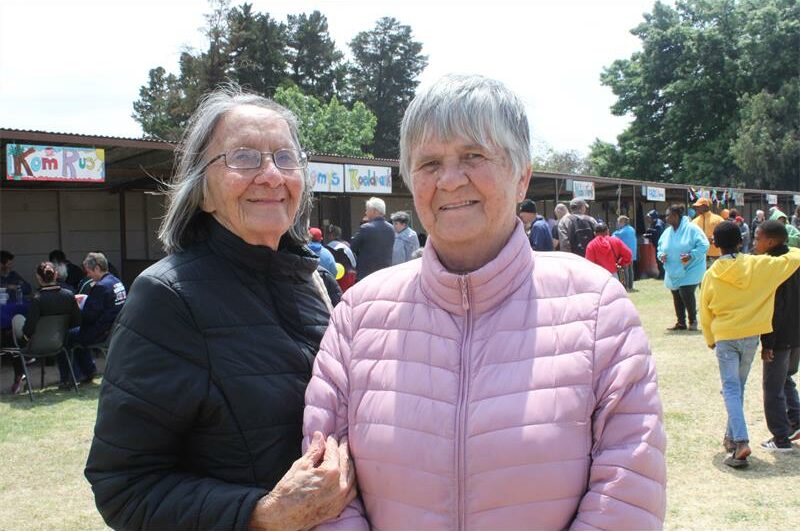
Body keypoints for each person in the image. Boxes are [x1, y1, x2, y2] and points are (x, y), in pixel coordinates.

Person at [303, 74, 666, 529]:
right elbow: (325, 484)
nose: (450, 180)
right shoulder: (359, 315)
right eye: (429, 163)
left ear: (522, 177)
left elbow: (629, 484)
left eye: (473, 155)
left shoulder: (597, 309)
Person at [84, 87, 355, 531]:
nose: (271, 175)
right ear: (203, 192)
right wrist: (262, 514)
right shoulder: (167, 298)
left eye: (285, 158)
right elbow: (124, 487)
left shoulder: (318, 284)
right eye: (243, 157)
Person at [699, 221, 800, 467]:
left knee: (731, 389)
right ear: (740, 241)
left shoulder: (711, 274)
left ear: (715, 244)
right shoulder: (757, 264)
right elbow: (794, 258)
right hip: (751, 338)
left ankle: (741, 442)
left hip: (725, 337)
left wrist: (710, 339)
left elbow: (705, 312)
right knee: (738, 388)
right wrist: (788, 245)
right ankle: (731, 437)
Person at [753, 220, 800, 450]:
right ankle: (797, 421)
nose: (754, 242)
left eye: (758, 238)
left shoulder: (772, 266)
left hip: (780, 337)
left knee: (772, 388)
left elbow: (776, 308)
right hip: (796, 334)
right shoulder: (795, 259)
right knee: (785, 378)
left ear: (770, 242)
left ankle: (781, 437)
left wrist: (768, 343)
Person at [9, 261, 82, 394]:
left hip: (36, 345)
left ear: (38, 277)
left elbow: (29, 329)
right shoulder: (68, 295)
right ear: (56, 275)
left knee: (16, 321)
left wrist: (25, 339)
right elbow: (77, 321)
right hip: (60, 343)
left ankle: (20, 374)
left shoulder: (37, 299)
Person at [59, 252, 126, 385]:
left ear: (97, 268)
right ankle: (88, 370)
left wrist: (78, 308)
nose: (88, 275)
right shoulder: (117, 282)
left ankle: (72, 377)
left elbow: (89, 316)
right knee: (78, 334)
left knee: (67, 337)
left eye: (89, 271)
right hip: (115, 329)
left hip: (101, 332)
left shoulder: (100, 287)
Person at [657, 204, 709, 331]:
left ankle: (693, 321)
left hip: (691, 268)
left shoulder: (692, 229)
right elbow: (660, 248)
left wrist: (691, 255)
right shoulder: (667, 232)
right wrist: (661, 255)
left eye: (668, 215)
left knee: (685, 292)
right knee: (676, 293)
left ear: (675, 216)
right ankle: (681, 322)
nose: (666, 218)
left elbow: (704, 245)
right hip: (673, 269)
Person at [350, 197, 395, 281]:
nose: (365, 212)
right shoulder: (391, 228)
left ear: (374, 211)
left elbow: (352, 247)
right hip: (385, 274)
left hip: (367, 274)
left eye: (367, 210)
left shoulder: (366, 227)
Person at [692, 197, 724, 266]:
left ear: (705, 206)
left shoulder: (718, 219)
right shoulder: (694, 222)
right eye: (696, 207)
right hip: (700, 255)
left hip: (716, 255)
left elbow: (724, 233)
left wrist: (714, 238)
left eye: (698, 206)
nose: (696, 208)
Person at [325, 225, 357, 293]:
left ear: (331, 235)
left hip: (341, 277)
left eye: (329, 235)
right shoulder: (347, 244)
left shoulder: (329, 247)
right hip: (352, 275)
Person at [613, 215, 638, 290]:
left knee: (624, 269)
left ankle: (626, 286)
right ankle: (631, 286)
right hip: (632, 252)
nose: (617, 224)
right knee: (631, 270)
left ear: (622, 222)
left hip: (625, 253)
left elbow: (613, 236)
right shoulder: (632, 229)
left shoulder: (622, 231)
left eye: (618, 222)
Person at [644, 209, 667, 279]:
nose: (648, 219)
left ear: (653, 217)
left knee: (660, 260)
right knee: (658, 260)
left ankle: (663, 275)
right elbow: (654, 234)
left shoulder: (658, 223)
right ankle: (661, 274)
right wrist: (648, 235)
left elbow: (658, 233)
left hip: (661, 245)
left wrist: (650, 231)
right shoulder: (655, 222)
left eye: (649, 217)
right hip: (658, 245)